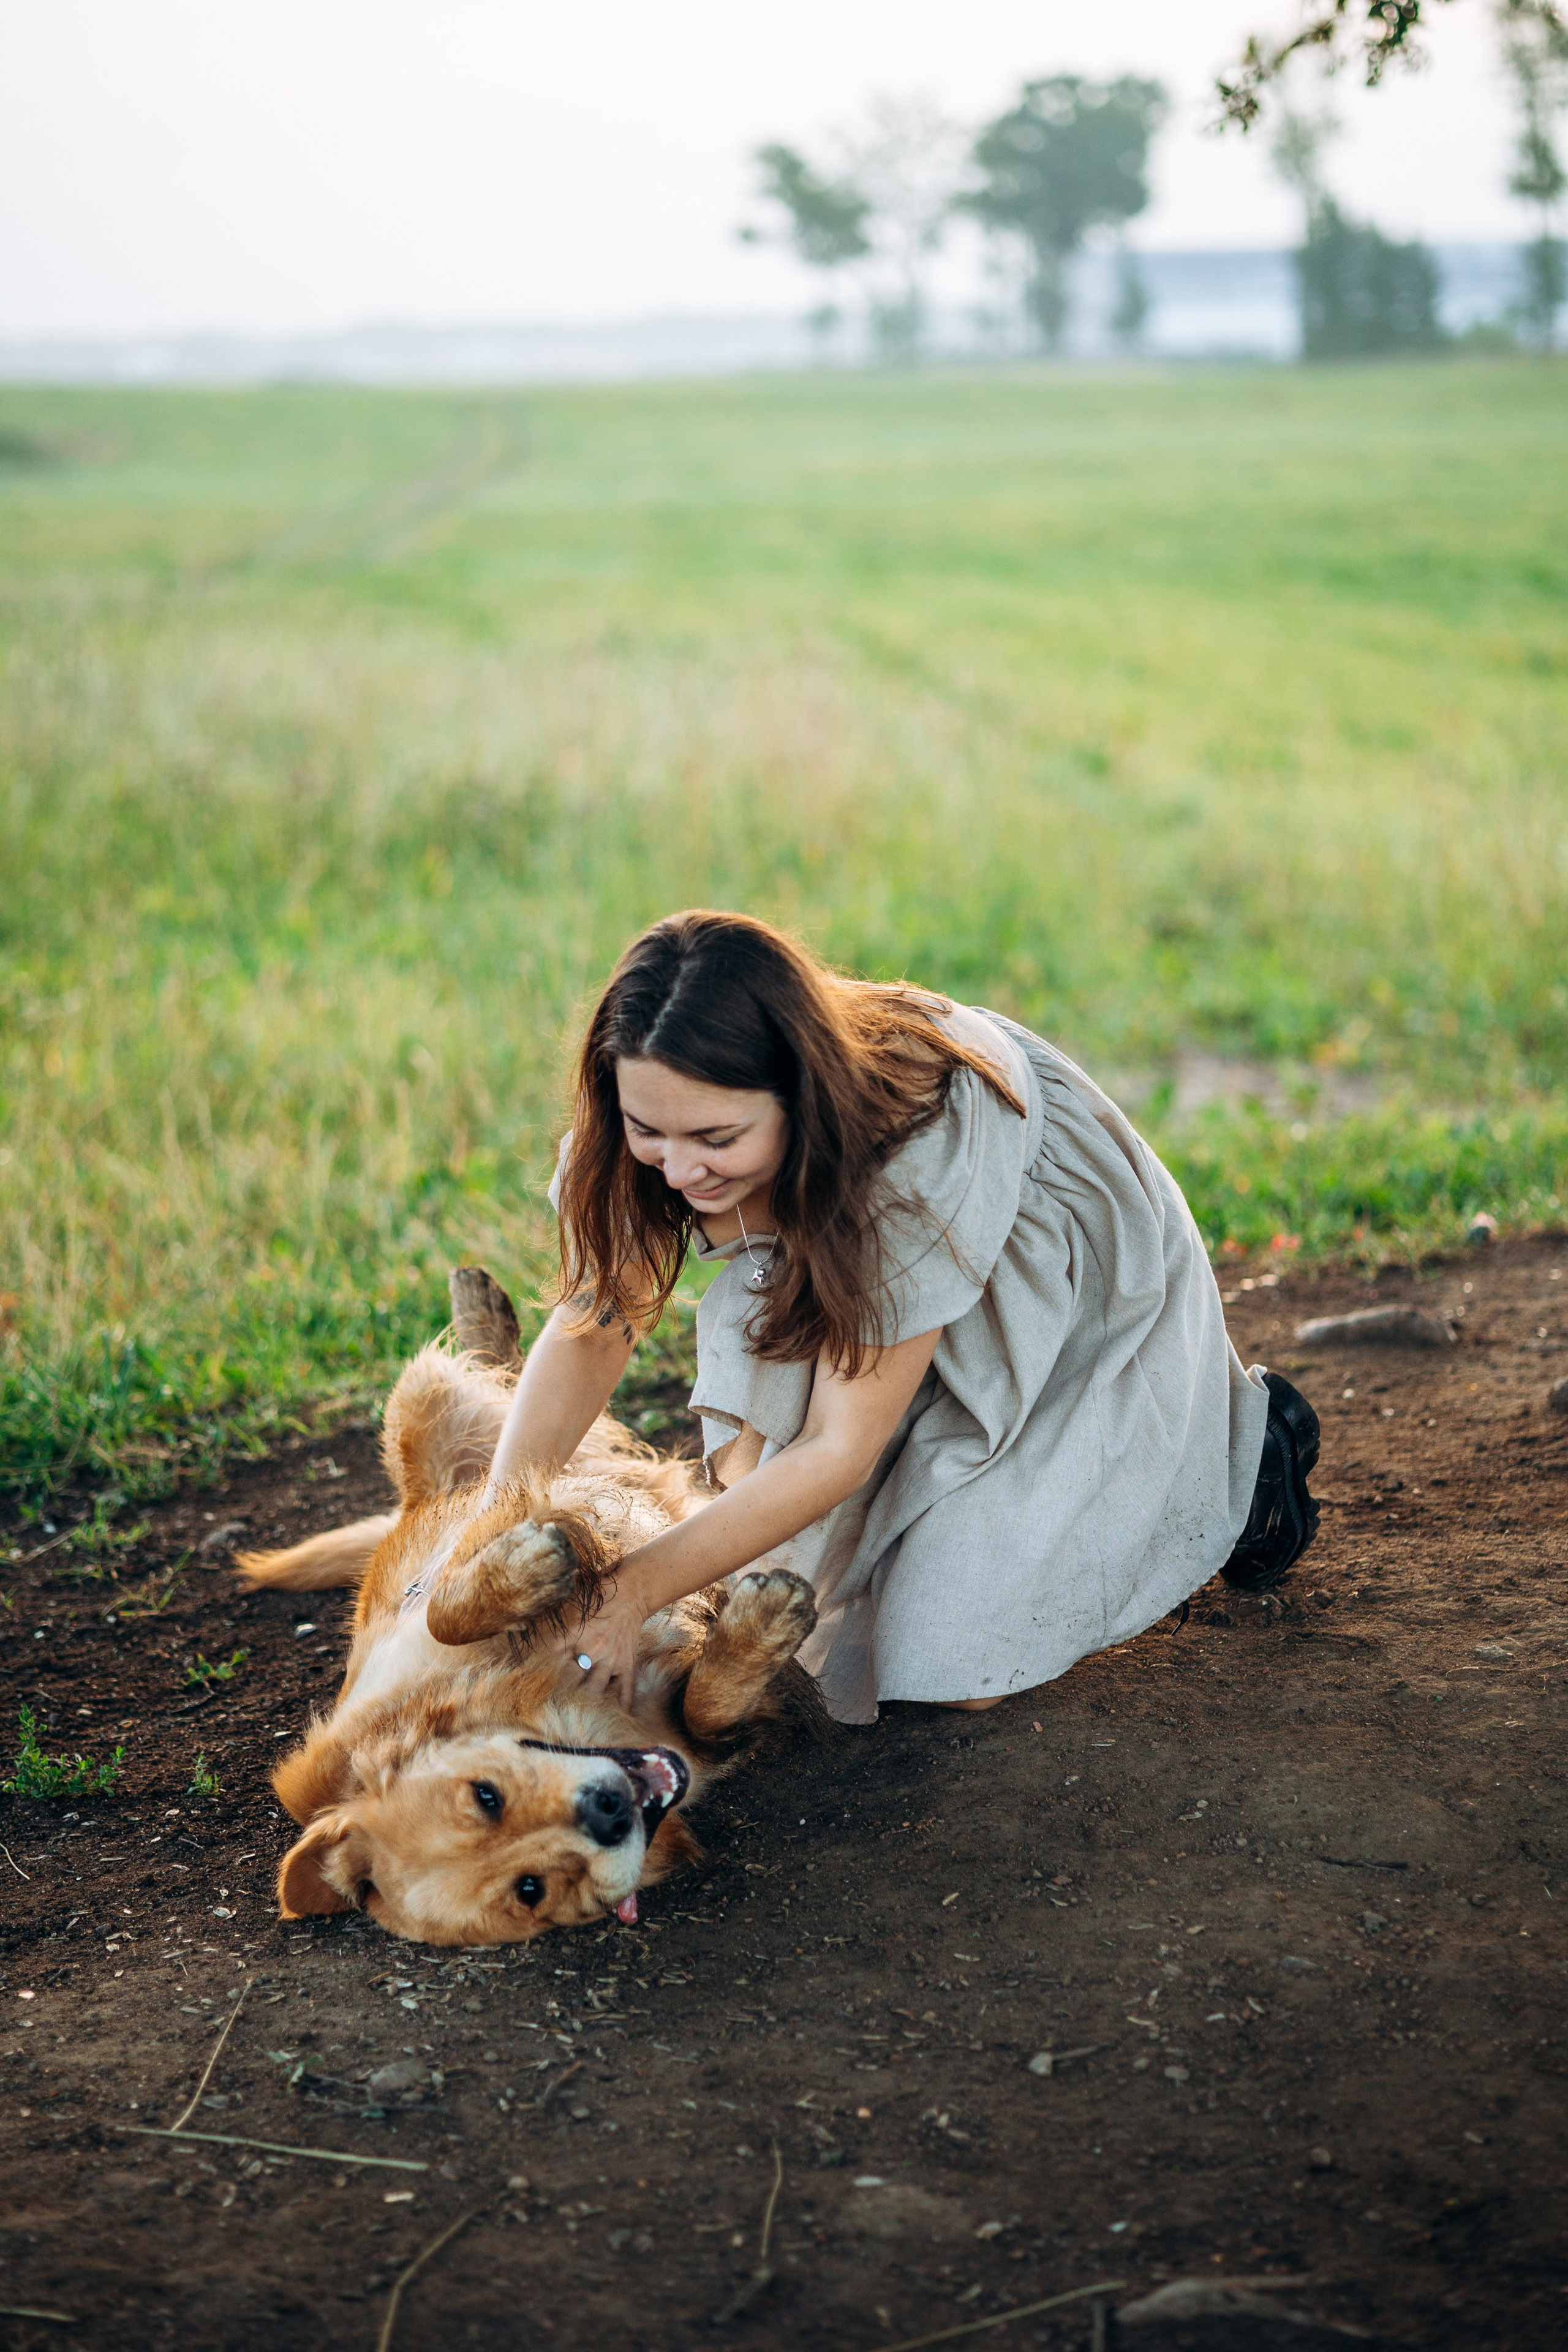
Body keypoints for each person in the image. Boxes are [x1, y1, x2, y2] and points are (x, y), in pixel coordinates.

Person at [483, 910, 1319, 1724]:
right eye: (647, 1130)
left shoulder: (921, 1140)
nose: (678, 1169)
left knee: (956, 1670)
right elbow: (596, 1327)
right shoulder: (660, 1138)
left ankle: (1239, 1460)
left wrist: (626, 1596)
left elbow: (837, 1445)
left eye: (716, 1136)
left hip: (1049, 1272)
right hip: (863, 1282)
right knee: (816, 1588)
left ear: (797, 1093)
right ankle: (957, 1476)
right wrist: (490, 1529)